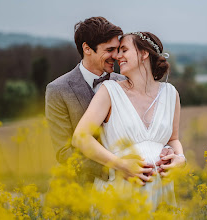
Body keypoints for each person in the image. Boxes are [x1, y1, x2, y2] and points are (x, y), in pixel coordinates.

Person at [46, 17, 172, 185]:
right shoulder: (58, 89)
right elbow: (64, 152)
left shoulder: (126, 82)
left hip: (134, 185)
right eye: (110, 49)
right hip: (80, 189)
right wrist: (115, 170)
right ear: (87, 48)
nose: (116, 55)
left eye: (119, 49)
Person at [73, 31, 186, 209]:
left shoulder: (171, 93)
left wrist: (180, 158)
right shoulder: (109, 91)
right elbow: (80, 137)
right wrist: (120, 165)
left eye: (124, 50)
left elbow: (173, 139)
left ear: (144, 53)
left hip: (161, 192)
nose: (117, 56)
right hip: (120, 191)